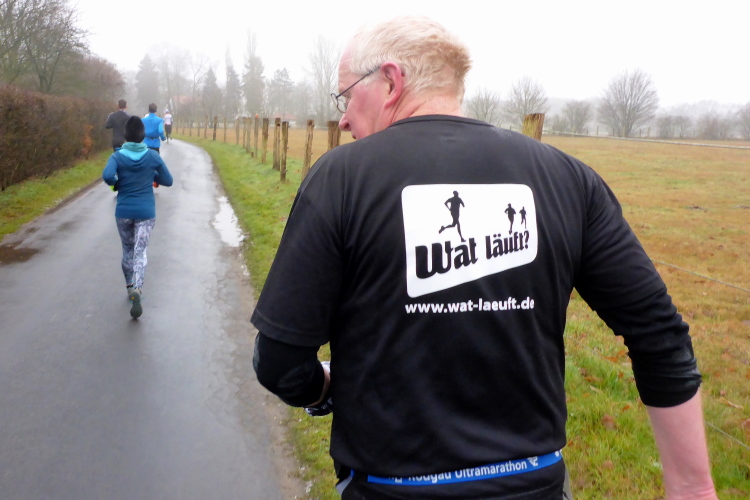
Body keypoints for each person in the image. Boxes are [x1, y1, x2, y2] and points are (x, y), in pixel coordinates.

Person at [250, 16, 717, 500]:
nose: (344, 118)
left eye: (346, 95)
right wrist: (694, 488)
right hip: (536, 485)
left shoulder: (341, 178)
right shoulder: (567, 178)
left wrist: (324, 390)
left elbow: (279, 360)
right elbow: (659, 334)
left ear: (390, 82)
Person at [102, 116, 173, 318]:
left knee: (127, 250)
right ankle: (137, 288)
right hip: (145, 213)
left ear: (126, 135)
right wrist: (152, 176)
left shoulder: (117, 156)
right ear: (143, 136)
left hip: (124, 212)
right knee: (140, 252)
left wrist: (117, 183)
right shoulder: (152, 156)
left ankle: (129, 287)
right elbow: (168, 180)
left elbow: (107, 176)